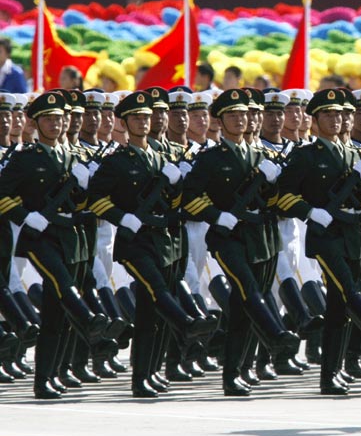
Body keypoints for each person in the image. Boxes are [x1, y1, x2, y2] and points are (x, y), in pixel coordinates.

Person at [87, 91, 217, 397]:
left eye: (147, 117)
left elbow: (177, 203)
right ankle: (185, 323)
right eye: (136, 118)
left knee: (150, 313)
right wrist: (123, 218)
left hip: (164, 240)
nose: (144, 122)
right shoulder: (117, 162)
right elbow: (95, 200)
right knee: (157, 289)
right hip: (135, 243)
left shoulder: (162, 158)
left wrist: (178, 183)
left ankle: (147, 374)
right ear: (124, 123)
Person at [276, 88, 361, 395]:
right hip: (325, 235)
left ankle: (331, 372)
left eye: (340, 114)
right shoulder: (307, 155)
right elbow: (282, 195)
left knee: (338, 307)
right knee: (346, 286)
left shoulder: (355, 155)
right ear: (315, 121)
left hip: (355, 234)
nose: (336, 120)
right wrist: (309, 211)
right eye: (328, 114)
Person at [182, 88, 300, 396]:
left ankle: (238, 370)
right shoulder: (211, 159)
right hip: (228, 238)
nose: (239, 119)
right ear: (220, 121)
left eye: (244, 114)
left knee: (242, 306)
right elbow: (189, 197)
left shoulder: (263, 156)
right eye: (232, 115)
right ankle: (275, 335)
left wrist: (273, 184)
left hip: (262, 237)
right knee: (248, 291)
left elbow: (277, 202)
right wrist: (216, 215)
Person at [0, 92, 118, 398]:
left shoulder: (74, 157)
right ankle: (88, 320)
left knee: (56, 313)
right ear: (37, 123)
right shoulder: (26, 158)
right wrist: (25, 216)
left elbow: (86, 203)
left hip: (69, 236)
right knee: (63, 283)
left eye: (59, 119)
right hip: (38, 237)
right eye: (49, 119)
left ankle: (47, 378)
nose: (55, 124)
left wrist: (85, 185)